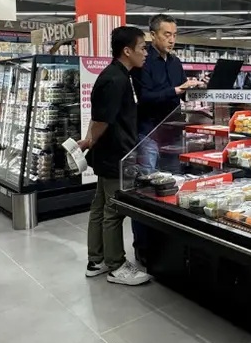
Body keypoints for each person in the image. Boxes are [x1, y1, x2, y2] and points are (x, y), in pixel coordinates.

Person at [78, 26, 150, 286]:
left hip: (111, 152)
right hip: (114, 154)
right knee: (114, 210)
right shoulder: (115, 79)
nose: (145, 53)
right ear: (127, 50)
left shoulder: (119, 75)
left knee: (100, 206)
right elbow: (101, 120)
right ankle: (116, 264)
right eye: (142, 47)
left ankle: (96, 260)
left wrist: (91, 140)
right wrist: (89, 141)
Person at [132, 14, 201, 264]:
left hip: (172, 133)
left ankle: (168, 245)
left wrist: (193, 93)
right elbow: (145, 97)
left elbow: (178, 97)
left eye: (174, 35)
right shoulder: (144, 61)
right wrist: (175, 90)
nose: (172, 40)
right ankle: (144, 248)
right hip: (148, 134)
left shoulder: (175, 62)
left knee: (171, 189)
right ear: (153, 35)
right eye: (166, 35)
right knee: (146, 190)